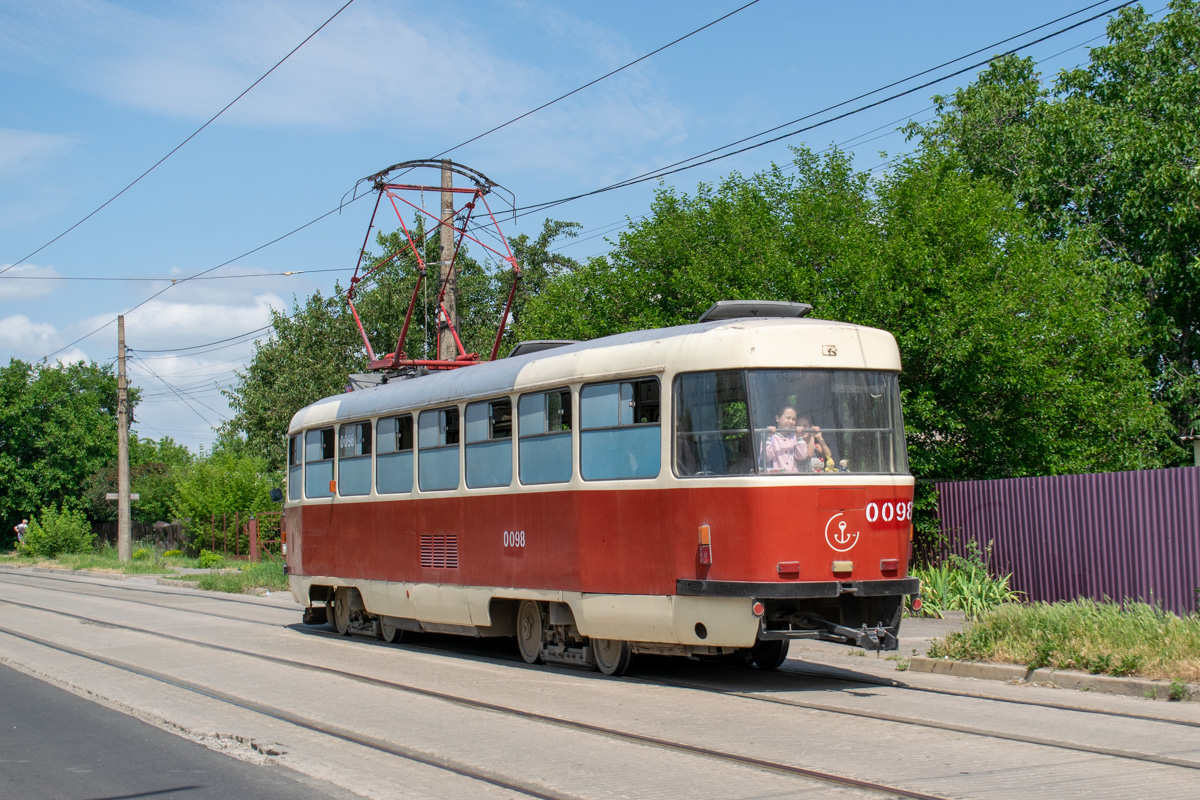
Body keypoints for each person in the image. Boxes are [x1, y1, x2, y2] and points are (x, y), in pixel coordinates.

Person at [762, 406, 808, 473]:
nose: (791, 421)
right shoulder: (770, 437)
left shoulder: (795, 437)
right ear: (777, 418)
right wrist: (768, 437)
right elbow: (765, 458)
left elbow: (802, 456)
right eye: (788, 418)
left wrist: (799, 437)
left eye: (793, 419)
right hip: (775, 478)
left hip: (793, 477)